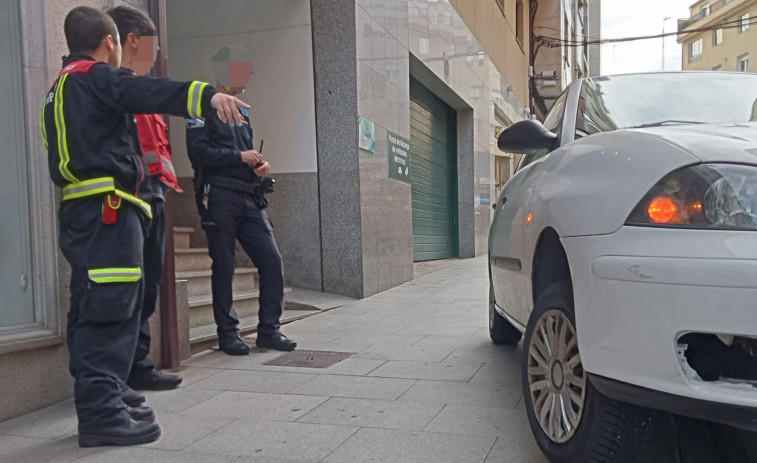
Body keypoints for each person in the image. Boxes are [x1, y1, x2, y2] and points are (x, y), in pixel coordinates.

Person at [43, 6, 248, 447]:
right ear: (112, 42)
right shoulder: (95, 77)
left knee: (90, 304)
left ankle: (104, 393)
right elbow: (149, 93)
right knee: (111, 310)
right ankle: (101, 414)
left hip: (82, 212)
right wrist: (206, 94)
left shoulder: (59, 87)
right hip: (108, 212)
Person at [186, 46, 296, 355]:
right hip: (218, 195)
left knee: (271, 260)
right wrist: (239, 155)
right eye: (242, 68)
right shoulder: (200, 108)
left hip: (250, 196)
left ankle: (269, 330)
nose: (248, 74)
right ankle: (228, 334)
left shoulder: (244, 111)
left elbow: (246, 156)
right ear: (224, 72)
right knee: (225, 264)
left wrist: (258, 167)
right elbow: (197, 154)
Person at [106, 5, 182, 392]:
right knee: (128, 289)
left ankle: (138, 364)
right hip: (124, 201)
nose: (156, 55)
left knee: (149, 284)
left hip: (153, 194)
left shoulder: (137, 88)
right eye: (152, 45)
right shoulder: (114, 89)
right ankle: (119, 375)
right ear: (131, 41)